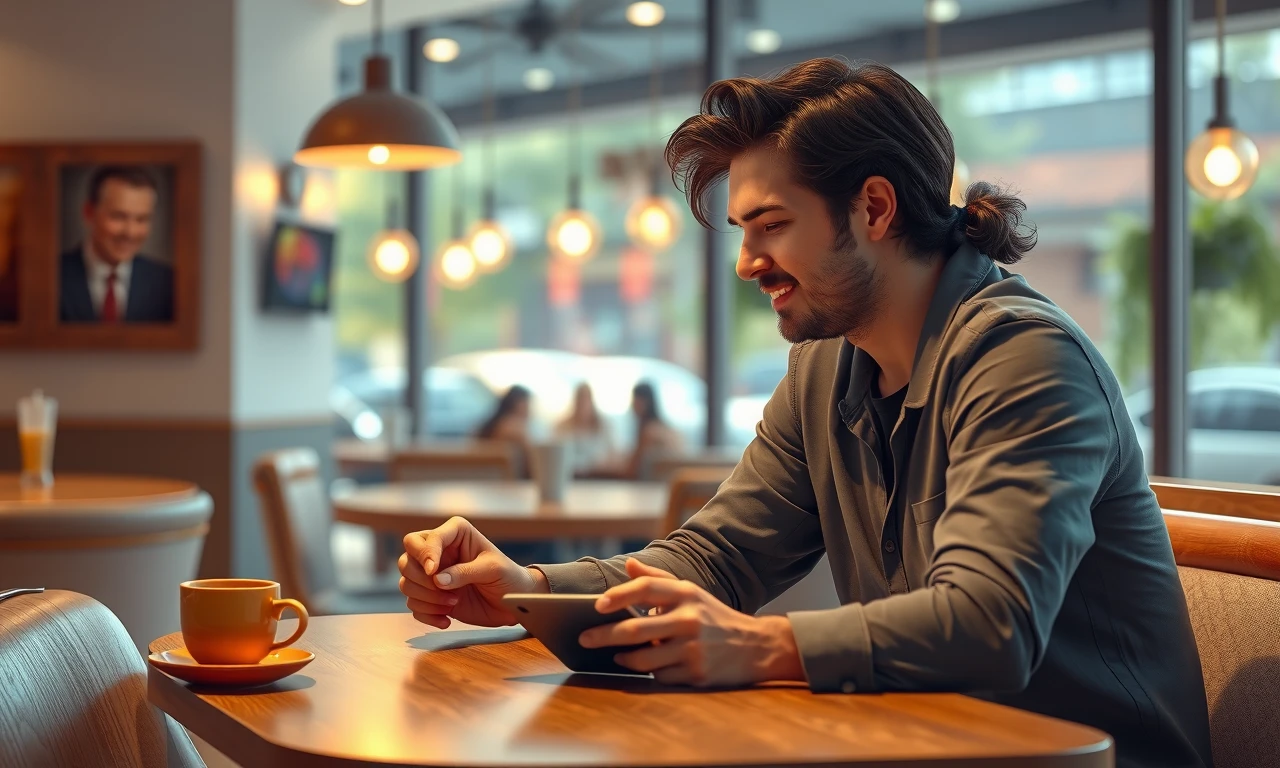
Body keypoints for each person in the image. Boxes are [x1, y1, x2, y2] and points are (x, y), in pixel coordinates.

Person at [398, 58, 1210, 768]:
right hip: (921, 745)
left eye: (772, 225)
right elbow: (715, 558)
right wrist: (526, 587)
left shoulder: (1023, 358)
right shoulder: (826, 366)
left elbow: (990, 623)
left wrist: (760, 645)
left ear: (875, 209)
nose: (749, 262)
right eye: (744, 232)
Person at [60, 166, 174, 323]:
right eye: (118, 217)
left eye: (142, 219)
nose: (130, 233)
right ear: (89, 213)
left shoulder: (168, 284)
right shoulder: (51, 277)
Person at [624, 381, 683, 479]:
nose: (632, 406)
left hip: (652, 488)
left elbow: (631, 470)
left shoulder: (649, 432)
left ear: (644, 402)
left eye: (634, 400)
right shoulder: (664, 427)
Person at [554, 383, 614, 477]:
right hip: (570, 477)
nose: (583, 403)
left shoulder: (604, 426)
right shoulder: (561, 427)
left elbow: (613, 455)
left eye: (586, 399)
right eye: (580, 399)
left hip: (599, 477)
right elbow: (556, 455)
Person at [475, 385, 533, 478]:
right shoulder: (513, 426)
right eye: (528, 404)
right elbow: (533, 459)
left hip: (484, 479)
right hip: (507, 482)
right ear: (518, 404)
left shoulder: (492, 423)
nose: (530, 410)